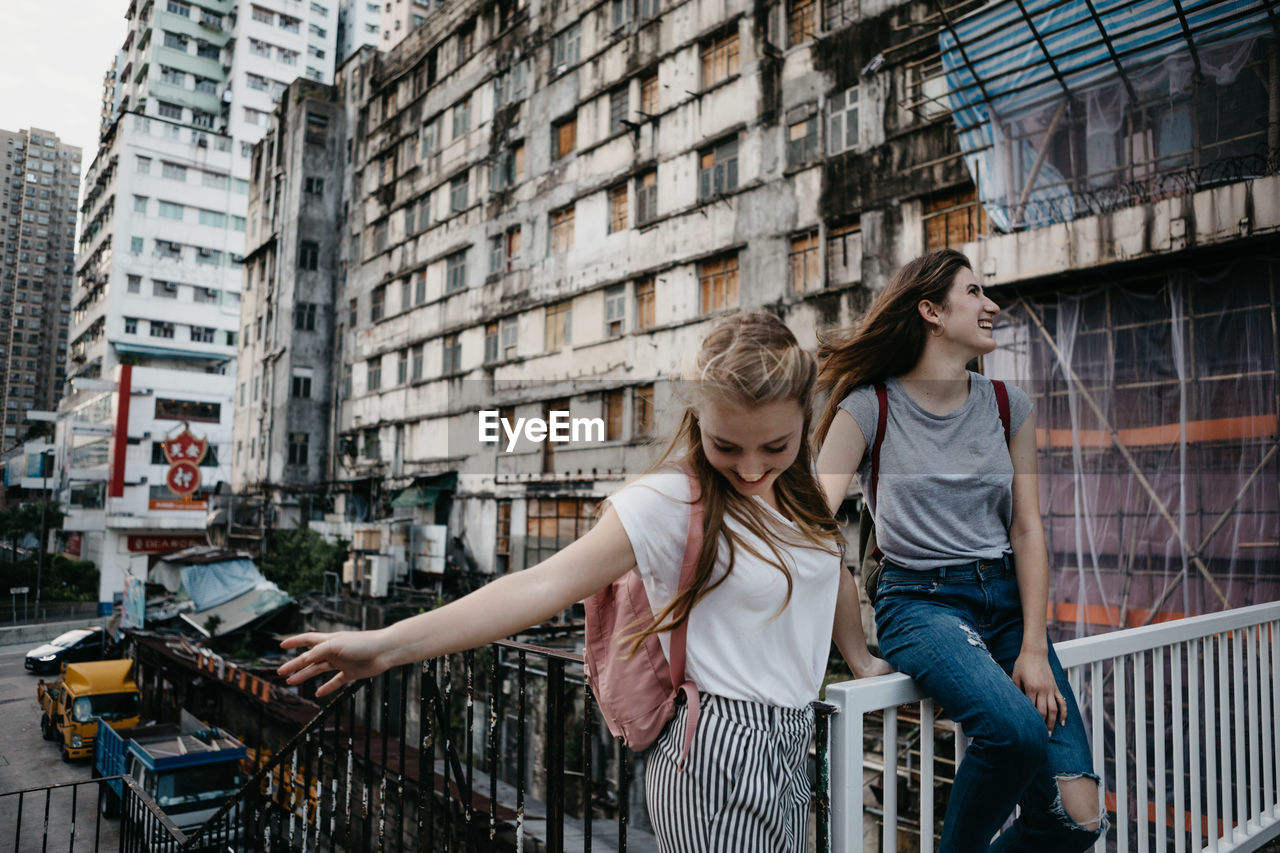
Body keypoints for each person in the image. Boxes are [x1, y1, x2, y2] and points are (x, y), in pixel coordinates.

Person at [278, 311, 889, 852]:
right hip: (716, 753)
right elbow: (538, 587)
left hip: (793, 738)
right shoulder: (670, 501)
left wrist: (860, 660)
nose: (752, 467)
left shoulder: (801, 493)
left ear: (804, 419)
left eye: (775, 446)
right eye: (726, 446)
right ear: (697, 419)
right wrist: (383, 646)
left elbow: (828, 570)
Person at [813, 249, 1106, 851]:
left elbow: (1027, 530)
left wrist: (1032, 646)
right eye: (974, 292)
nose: (991, 305)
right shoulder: (870, 407)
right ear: (931, 312)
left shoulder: (1007, 407)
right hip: (920, 603)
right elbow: (810, 528)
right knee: (1013, 731)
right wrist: (858, 656)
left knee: (1079, 818)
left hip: (1003, 603)